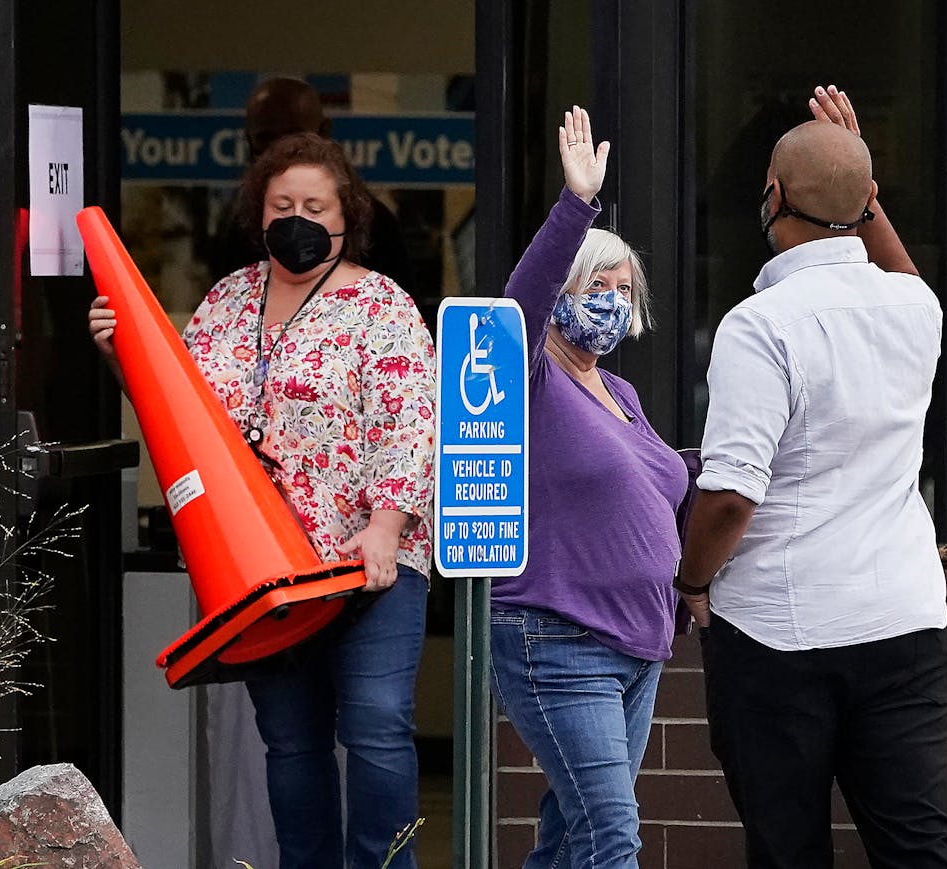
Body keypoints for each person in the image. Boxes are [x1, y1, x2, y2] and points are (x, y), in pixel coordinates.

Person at [89, 131, 436, 869]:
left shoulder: (382, 305)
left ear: (348, 216)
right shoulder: (225, 301)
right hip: (263, 576)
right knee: (291, 741)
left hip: (369, 561)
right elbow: (181, 417)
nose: (298, 217)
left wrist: (384, 525)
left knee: (376, 725)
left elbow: (410, 423)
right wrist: (124, 357)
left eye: (316, 204)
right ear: (258, 211)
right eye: (283, 203)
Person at [675, 86, 947, 868]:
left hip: (777, 628)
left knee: (788, 847)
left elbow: (732, 492)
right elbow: (903, 273)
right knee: (919, 845)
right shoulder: (917, 311)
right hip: (903, 619)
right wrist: (859, 193)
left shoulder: (759, 324)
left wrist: (692, 578)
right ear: (870, 202)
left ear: (771, 198)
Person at [489, 105, 688, 869]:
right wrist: (576, 206)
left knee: (573, 836)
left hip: (638, 642)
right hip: (559, 637)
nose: (610, 297)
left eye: (623, 286)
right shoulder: (532, 377)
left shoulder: (622, 395)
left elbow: (666, 482)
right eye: (595, 282)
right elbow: (521, 302)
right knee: (613, 836)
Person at [210, 77, 423, 327]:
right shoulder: (231, 285)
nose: (281, 153)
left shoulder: (378, 236)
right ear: (249, 143)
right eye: (281, 207)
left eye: (314, 209)